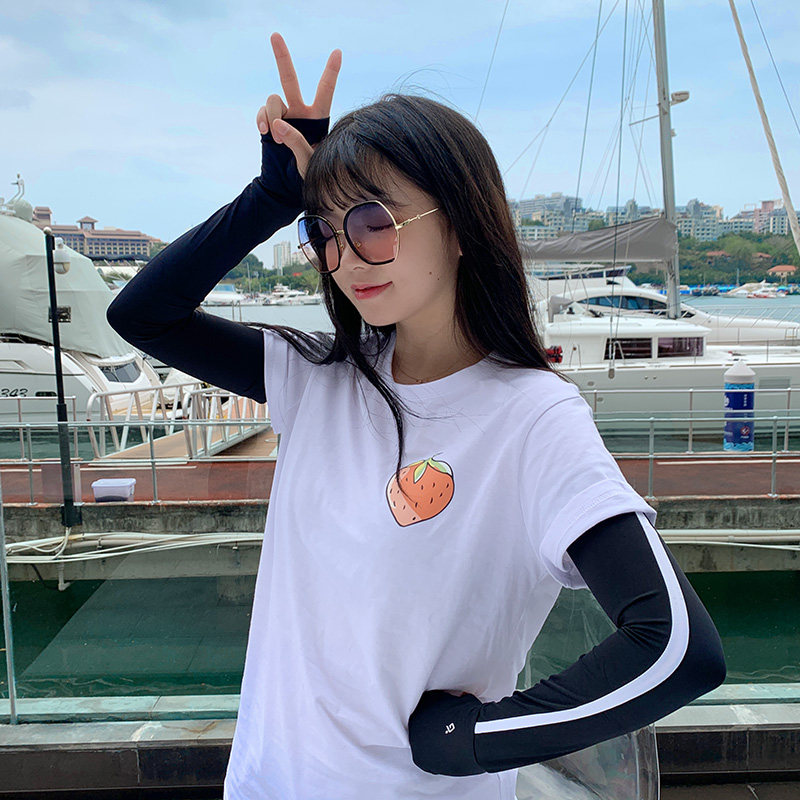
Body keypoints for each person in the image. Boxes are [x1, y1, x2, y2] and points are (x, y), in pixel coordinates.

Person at [106, 31, 727, 800]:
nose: (344, 257)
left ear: (460, 224)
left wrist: (475, 742)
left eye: (372, 222)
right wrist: (271, 199)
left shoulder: (533, 418)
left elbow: (676, 648)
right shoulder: (320, 378)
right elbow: (144, 314)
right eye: (324, 232)